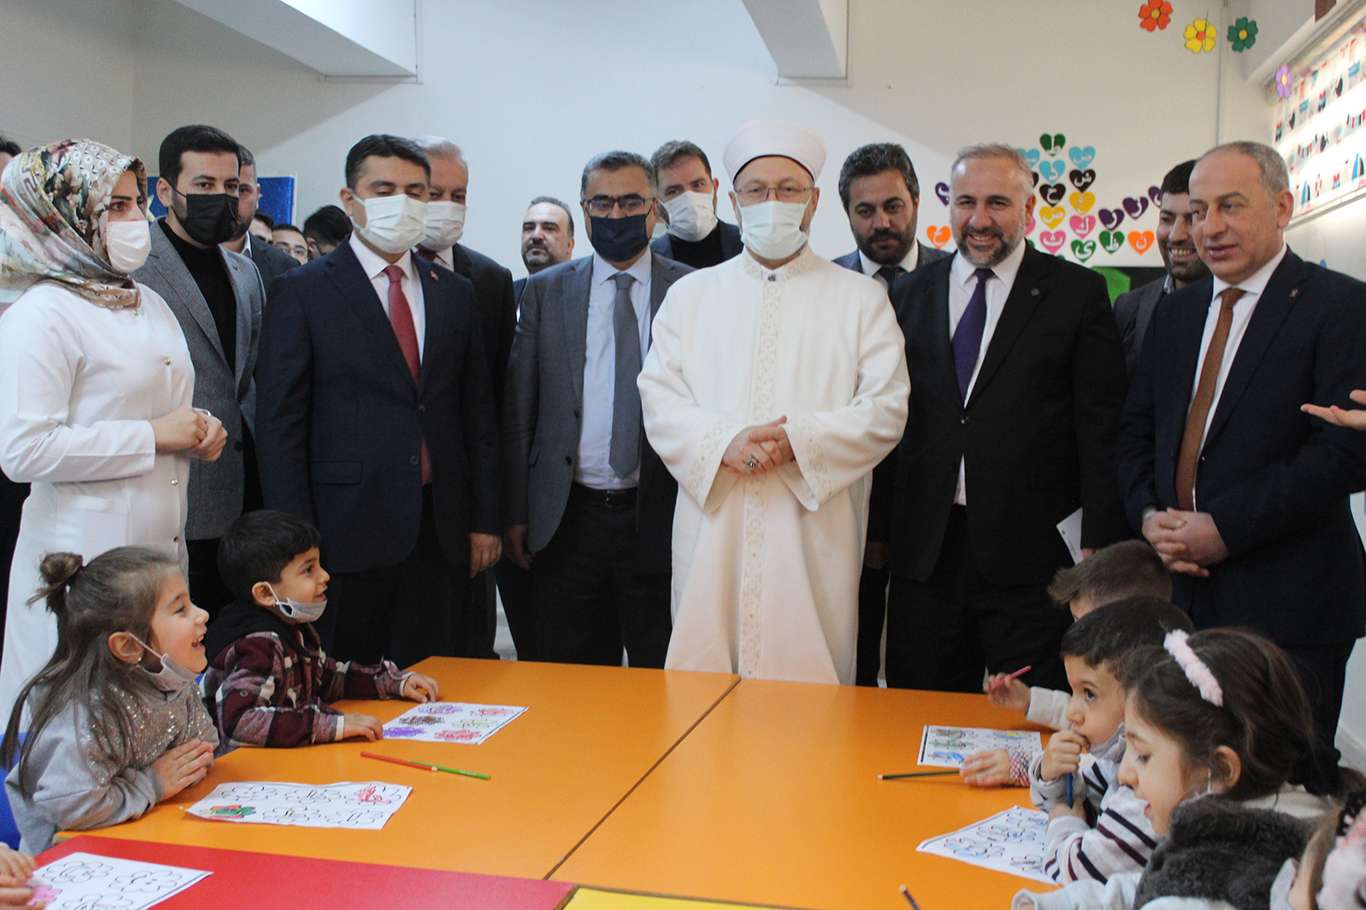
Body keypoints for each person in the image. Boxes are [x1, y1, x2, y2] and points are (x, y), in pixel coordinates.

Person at [1117, 141, 1366, 771]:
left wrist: (1225, 528)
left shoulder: (1341, 306)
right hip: (1183, 598)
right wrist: (1149, 516)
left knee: (1284, 785)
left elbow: (1344, 452)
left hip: (1291, 606)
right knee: (1193, 778)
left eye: (1231, 206)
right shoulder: (1176, 313)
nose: (1209, 228)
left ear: (1282, 208)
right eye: (1199, 211)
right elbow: (1137, 432)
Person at [638, 120, 909, 684]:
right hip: (714, 523)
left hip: (814, 527)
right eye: (757, 190)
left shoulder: (861, 299)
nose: (773, 203)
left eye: (789, 190)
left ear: (813, 201)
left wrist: (797, 442)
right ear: (734, 201)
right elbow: (659, 396)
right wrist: (723, 443)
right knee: (702, 682)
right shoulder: (690, 296)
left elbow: (885, 408)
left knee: (808, 689)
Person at [882, 143, 1129, 696]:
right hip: (927, 553)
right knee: (916, 706)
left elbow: (1100, 424)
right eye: (966, 202)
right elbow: (890, 420)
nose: (979, 219)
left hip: (1032, 561)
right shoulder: (909, 293)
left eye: (997, 203)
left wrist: (1100, 539)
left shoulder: (1076, 294)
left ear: (1028, 208)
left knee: (1028, 714)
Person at [0, 139, 225, 723]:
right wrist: (153, 436)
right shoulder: (41, 314)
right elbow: (24, 451)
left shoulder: (147, 301)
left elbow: (166, 405)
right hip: (82, 561)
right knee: (79, 729)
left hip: (158, 553)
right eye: (117, 206)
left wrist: (202, 428)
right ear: (63, 216)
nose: (137, 220)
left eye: (137, 203)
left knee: (148, 728)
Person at [255, 134, 499, 668]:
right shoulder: (303, 291)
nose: (402, 202)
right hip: (343, 530)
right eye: (384, 190)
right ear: (350, 199)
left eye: (416, 191)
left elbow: (476, 414)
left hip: (439, 528)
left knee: (436, 680)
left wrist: (484, 517)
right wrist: (294, 539)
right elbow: (280, 424)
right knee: (348, 679)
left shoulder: (453, 292)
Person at [503, 151, 689, 668]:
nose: (615, 214)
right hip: (569, 518)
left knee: (663, 670)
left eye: (630, 201)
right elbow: (520, 411)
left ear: (654, 208)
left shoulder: (692, 289)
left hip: (662, 514)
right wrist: (516, 512)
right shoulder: (546, 291)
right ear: (584, 210)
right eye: (602, 203)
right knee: (574, 676)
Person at [1011, 628, 1342, 909]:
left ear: (1220, 768)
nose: (1124, 774)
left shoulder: (1219, 879)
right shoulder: (1233, 833)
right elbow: (1144, 885)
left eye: (1143, 755)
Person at [2, 547, 218, 854]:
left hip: (150, 838)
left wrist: (184, 769)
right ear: (129, 646)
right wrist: (152, 784)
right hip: (72, 863)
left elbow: (202, 749)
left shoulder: (172, 679)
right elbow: (73, 805)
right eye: (180, 609)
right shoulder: (85, 711)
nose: (202, 614)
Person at [134, 124, 264, 620]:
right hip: (171, 481)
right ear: (166, 191)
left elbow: (247, 376)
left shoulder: (245, 272)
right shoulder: (134, 265)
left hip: (240, 487)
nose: (220, 198)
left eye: (231, 186)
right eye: (204, 185)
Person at [833, 141, 949, 686]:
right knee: (845, 655)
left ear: (916, 202)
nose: (881, 222)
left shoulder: (956, 281)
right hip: (846, 497)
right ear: (846, 214)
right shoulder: (825, 288)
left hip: (935, 508)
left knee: (921, 665)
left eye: (893, 206)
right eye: (865, 210)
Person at [203, 510, 439, 749]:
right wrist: (328, 725)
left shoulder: (294, 627)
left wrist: (391, 682)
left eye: (319, 564)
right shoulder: (257, 644)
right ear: (265, 593)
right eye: (308, 570)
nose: (324, 576)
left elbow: (328, 679)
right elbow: (239, 722)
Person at [414, 137, 517, 659]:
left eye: (459, 196)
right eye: (435, 194)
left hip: (462, 505)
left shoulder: (491, 280)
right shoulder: (367, 277)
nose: (447, 207)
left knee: (469, 647)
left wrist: (488, 515)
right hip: (386, 504)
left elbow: (492, 408)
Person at [962, 540, 1173, 787]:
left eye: (1084, 623)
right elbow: (1090, 716)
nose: (1075, 633)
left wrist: (1027, 766)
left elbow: (1108, 769)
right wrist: (1030, 699)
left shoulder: (1158, 714)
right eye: (1074, 620)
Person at [1028, 598, 1193, 884]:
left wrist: (1064, 822)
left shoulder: (1147, 792)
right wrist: (1051, 773)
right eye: (1073, 692)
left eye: (1089, 694)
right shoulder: (1119, 754)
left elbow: (1078, 874)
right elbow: (1081, 797)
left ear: (1144, 695)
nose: (1072, 712)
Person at [1113, 160, 1211, 376]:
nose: (1176, 235)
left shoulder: (1240, 307)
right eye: (1166, 219)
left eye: (1192, 218)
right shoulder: (1129, 308)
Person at [649, 140, 742, 269]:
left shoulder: (748, 246)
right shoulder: (650, 261)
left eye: (698, 185)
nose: (689, 198)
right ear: (656, 203)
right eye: (673, 191)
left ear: (714, 187)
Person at [222, 146, 299, 290]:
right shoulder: (181, 258)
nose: (233, 202)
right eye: (227, 188)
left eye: (243, 190)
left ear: (257, 195)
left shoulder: (284, 267)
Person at [517, 196, 576, 295]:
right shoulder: (505, 296)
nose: (536, 236)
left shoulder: (587, 296)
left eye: (549, 228)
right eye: (529, 228)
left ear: (569, 245)